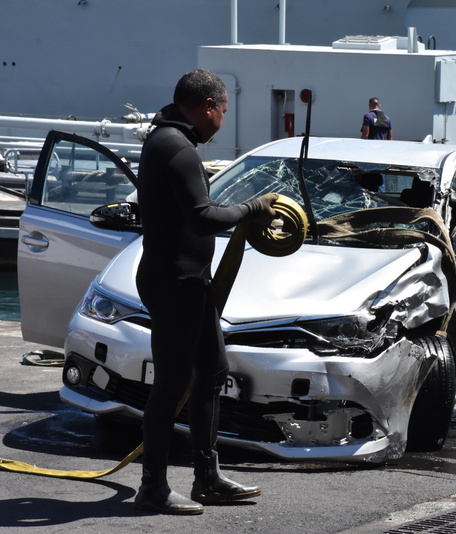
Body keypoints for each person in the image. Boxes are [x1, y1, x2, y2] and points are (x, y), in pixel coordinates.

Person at [134, 69, 276, 515]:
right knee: (172, 384)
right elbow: (201, 217)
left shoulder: (170, 142)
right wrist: (253, 207)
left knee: (212, 374)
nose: (222, 121)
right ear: (209, 106)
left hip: (189, 280)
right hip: (174, 282)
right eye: (223, 112)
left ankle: (207, 478)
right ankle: (153, 486)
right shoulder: (177, 149)